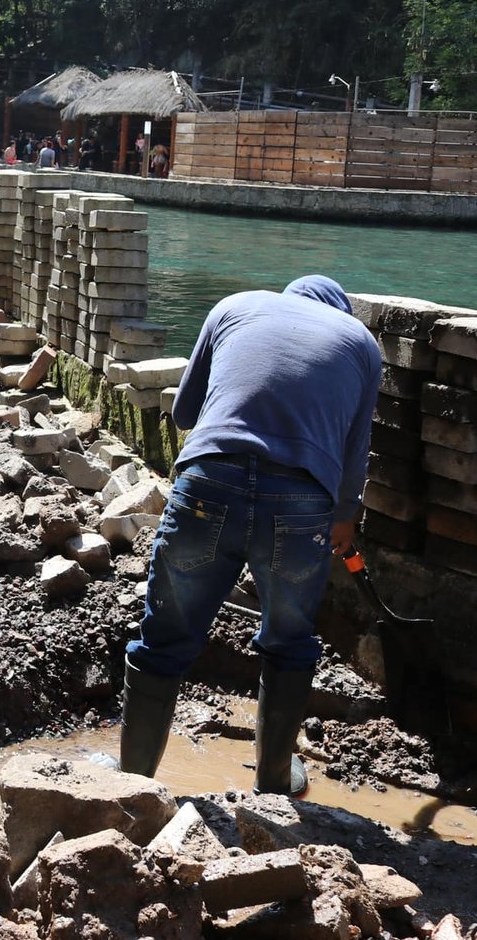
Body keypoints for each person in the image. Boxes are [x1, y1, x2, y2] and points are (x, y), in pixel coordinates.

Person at [115, 275, 380, 797]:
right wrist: (344, 519)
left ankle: (130, 790)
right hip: (302, 502)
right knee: (288, 640)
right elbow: (356, 452)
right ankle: (275, 784)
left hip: (209, 481)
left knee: (164, 639)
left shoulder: (235, 307)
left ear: (288, 296)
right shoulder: (361, 343)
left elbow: (184, 413)